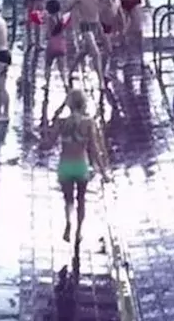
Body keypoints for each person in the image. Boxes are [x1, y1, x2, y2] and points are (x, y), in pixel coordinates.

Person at [44, 89, 106, 245]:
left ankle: (68, 223)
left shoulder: (61, 122)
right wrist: (103, 172)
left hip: (65, 166)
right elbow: (94, 149)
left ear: (69, 104)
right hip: (81, 166)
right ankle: (78, 231)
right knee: (81, 199)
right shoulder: (88, 123)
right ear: (84, 104)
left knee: (68, 200)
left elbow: (48, 144)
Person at [65, 0, 107, 94]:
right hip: (85, 26)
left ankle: (70, 71)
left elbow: (106, 2)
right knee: (96, 53)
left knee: (83, 52)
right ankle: (101, 81)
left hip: (96, 24)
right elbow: (67, 7)